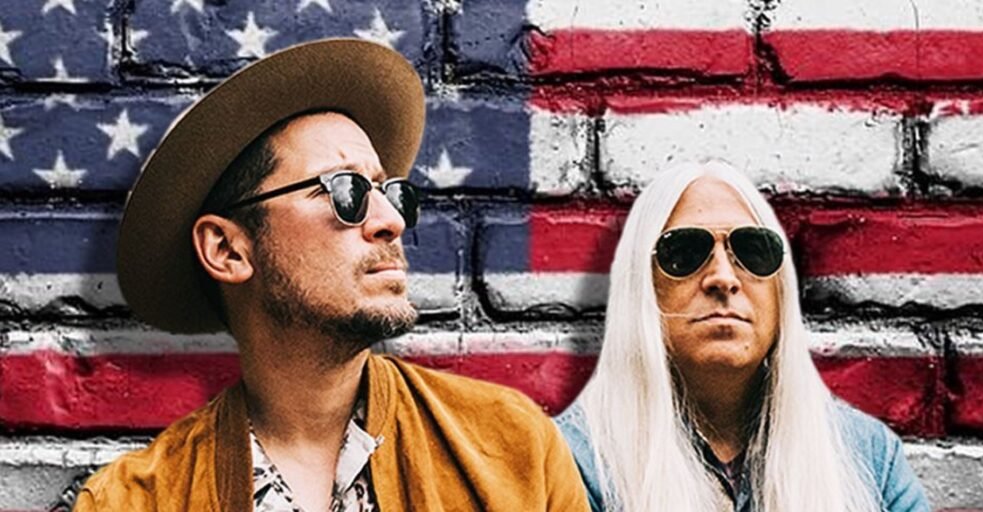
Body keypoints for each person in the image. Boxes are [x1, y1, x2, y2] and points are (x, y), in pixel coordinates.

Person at [73, 38, 588, 512]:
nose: (391, 220)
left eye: (391, 193)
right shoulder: (132, 501)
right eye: (346, 193)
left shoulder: (513, 450)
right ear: (228, 250)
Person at [556, 161, 930, 512]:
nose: (723, 277)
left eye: (753, 251)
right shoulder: (574, 461)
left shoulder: (869, 457)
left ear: (779, 291)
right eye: (684, 253)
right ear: (642, 287)